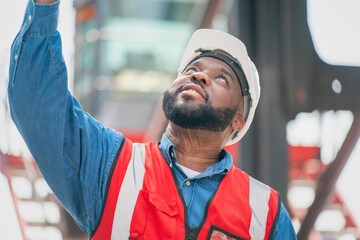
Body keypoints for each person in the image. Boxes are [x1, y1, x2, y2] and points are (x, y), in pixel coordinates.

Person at [8, 0, 297, 239]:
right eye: (192, 69)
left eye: (221, 78)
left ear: (238, 120)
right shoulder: (111, 167)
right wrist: (44, 7)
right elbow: (37, 101)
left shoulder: (266, 213)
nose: (198, 75)